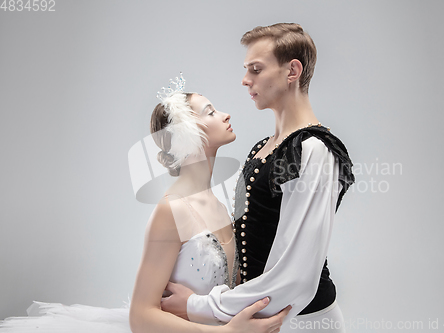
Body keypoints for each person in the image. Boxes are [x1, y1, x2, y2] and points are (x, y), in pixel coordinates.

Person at [0, 77, 290, 333]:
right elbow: (140, 317)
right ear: (188, 133)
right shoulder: (171, 210)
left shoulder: (219, 205)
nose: (225, 115)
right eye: (210, 112)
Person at [162, 23, 355, 333]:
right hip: (257, 318)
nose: (245, 80)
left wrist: (198, 305)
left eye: (255, 69)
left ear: (292, 70)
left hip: (299, 322)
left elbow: (296, 277)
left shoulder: (313, 150)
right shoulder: (264, 147)